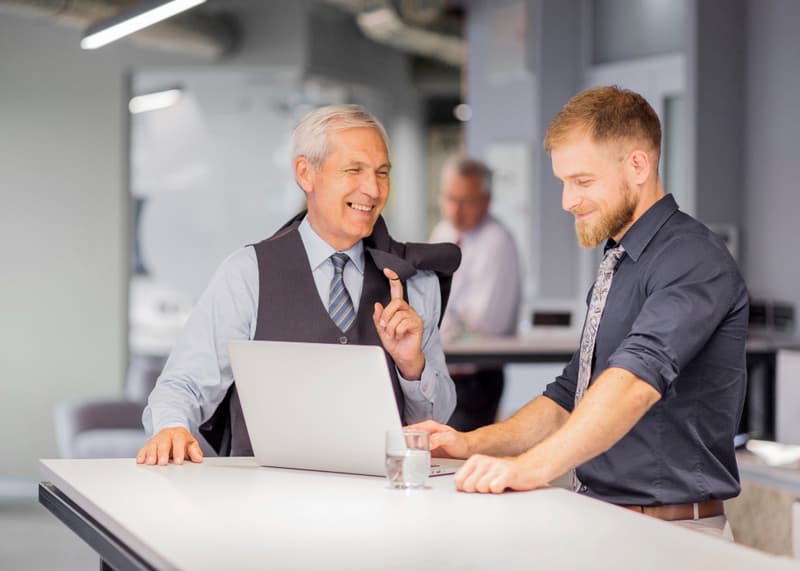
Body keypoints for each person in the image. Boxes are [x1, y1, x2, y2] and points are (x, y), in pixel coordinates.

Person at [413, 86, 748, 538]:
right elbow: (571, 395)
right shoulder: (619, 263)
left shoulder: (692, 259)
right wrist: (469, 443)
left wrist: (531, 468)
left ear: (638, 166)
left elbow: (633, 384)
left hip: (670, 536)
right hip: (603, 520)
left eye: (583, 181)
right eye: (563, 182)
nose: (567, 201)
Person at [137, 104, 460, 466]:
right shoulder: (247, 274)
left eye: (381, 173)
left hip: (377, 504)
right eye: (354, 170)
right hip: (259, 503)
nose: (372, 189)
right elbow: (184, 384)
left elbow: (435, 421)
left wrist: (411, 367)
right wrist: (171, 427)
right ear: (306, 174)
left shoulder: (414, 282)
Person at [430, 157, 521, 431]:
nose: (455, 209)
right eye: (450, 198)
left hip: (474, 380)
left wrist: (445, 322)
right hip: (440, 374)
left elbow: (484, 323)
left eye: (465, 200)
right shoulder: (443, 232)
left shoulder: (497, 242)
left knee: (459, 461)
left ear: (486, 200)